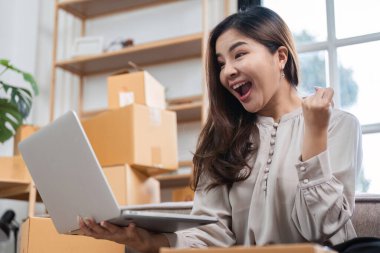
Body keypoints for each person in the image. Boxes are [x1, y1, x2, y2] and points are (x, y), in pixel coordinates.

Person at [78, 6, 363, 253]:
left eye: (239, 54)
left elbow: (325, 228)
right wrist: (148, 241)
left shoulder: (338, 125)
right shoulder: (222, 137)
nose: (227, 72)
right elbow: (212, 235)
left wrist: (314, 135)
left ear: (281, 57)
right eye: (221, 63)